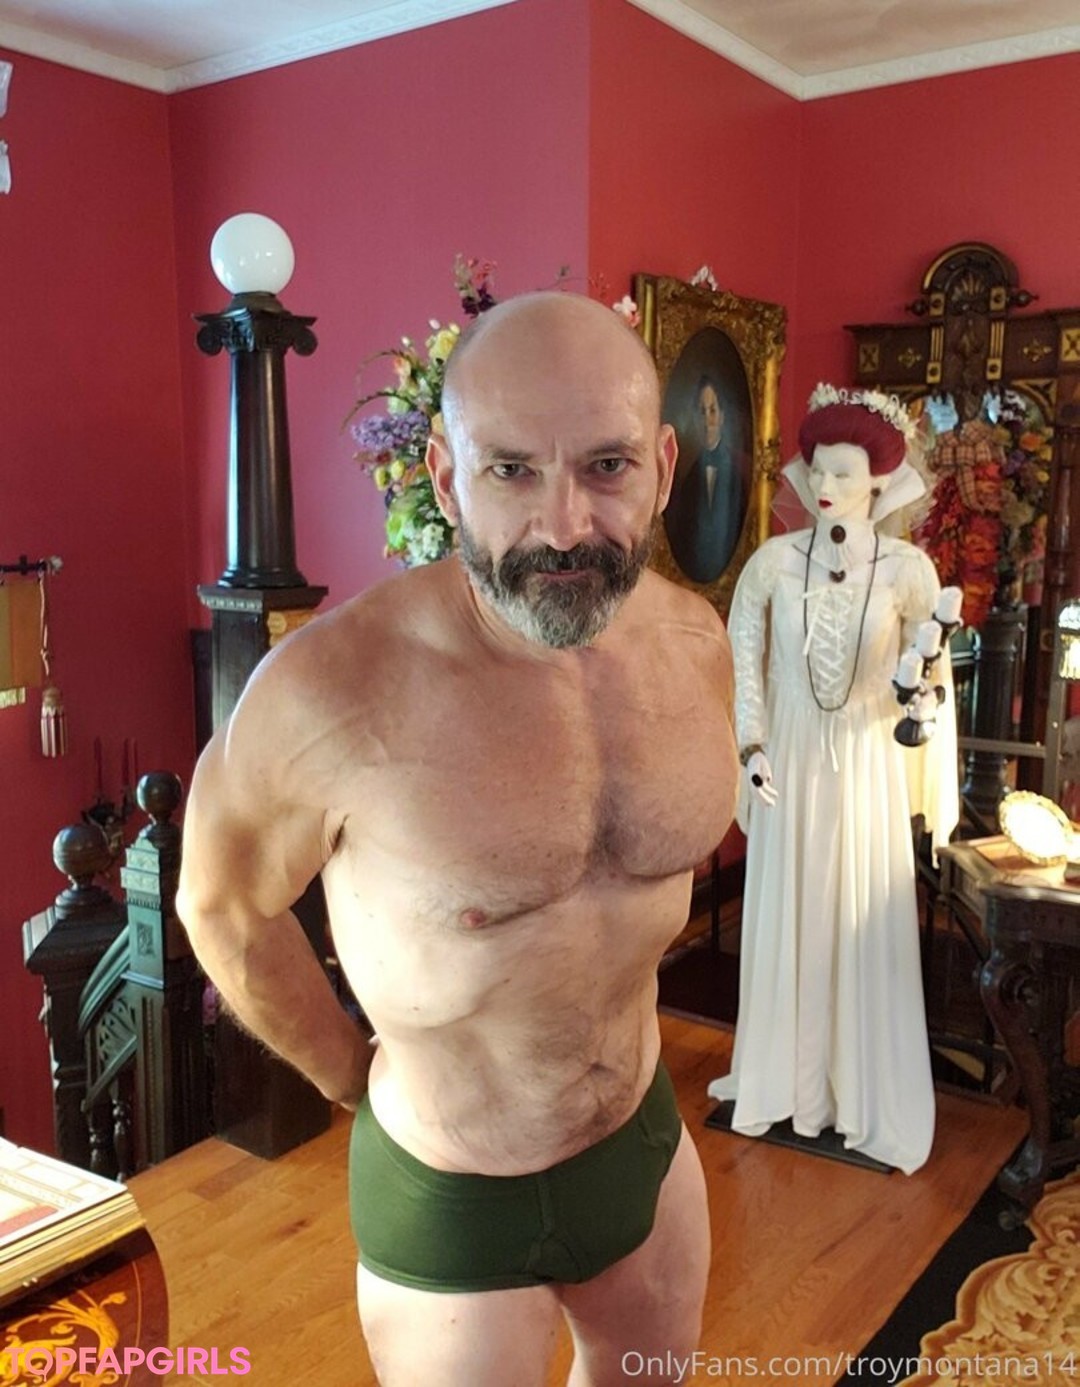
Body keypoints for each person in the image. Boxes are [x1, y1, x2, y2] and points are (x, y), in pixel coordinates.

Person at [177, 291, 739, 1387]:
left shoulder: (696, 645)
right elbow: (222, 902)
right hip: (451, 1183)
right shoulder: (331, 688)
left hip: (639, 1139)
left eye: (608, 466)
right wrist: (346, 1074)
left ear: (665, 467)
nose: (564, 526)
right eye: (512, 470)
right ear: (445, 477)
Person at [707, 384, 958, 1175]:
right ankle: (784, 1080)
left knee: (856, 911)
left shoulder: (910, 570)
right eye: (817, 467)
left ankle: (857, 1088)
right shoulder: (773, 563)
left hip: (866, 764)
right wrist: (750, 745)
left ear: (878, 481)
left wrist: (923, 704)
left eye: (844, 472)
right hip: (788, 757)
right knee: (791, 905)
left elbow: (932, 675)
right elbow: (743, 656)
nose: (825, 484)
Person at [663, 374, 745, 585]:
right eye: (701, 411)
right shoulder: (686, 478)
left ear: (722, 417)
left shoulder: (737, 474)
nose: (707, 420)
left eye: (712, 410)